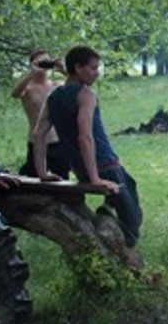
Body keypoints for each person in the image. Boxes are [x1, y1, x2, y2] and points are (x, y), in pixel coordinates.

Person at [33, 45, 143, 247]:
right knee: (132, 221)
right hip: (105, 166)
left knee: (130, 186)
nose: (97, 73)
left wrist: (42, 173)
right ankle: (116, 248)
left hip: (83, 169)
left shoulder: (54, 96)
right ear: (78, 67)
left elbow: (38, 134)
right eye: (93, 68)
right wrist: (95, 178)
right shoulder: (85, 95)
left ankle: (107, 217)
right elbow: (85, 137)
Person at [10, 49, 71, 178]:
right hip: (36, 141)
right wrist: (32, 73)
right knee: (34, 180)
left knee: (62, 179)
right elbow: (15, 94)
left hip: (58, 141)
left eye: (46, 61)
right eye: (40, 62)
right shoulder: (28, 88)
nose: (44, 65)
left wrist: (63, 70)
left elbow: (79, 87)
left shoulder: (57, 86)